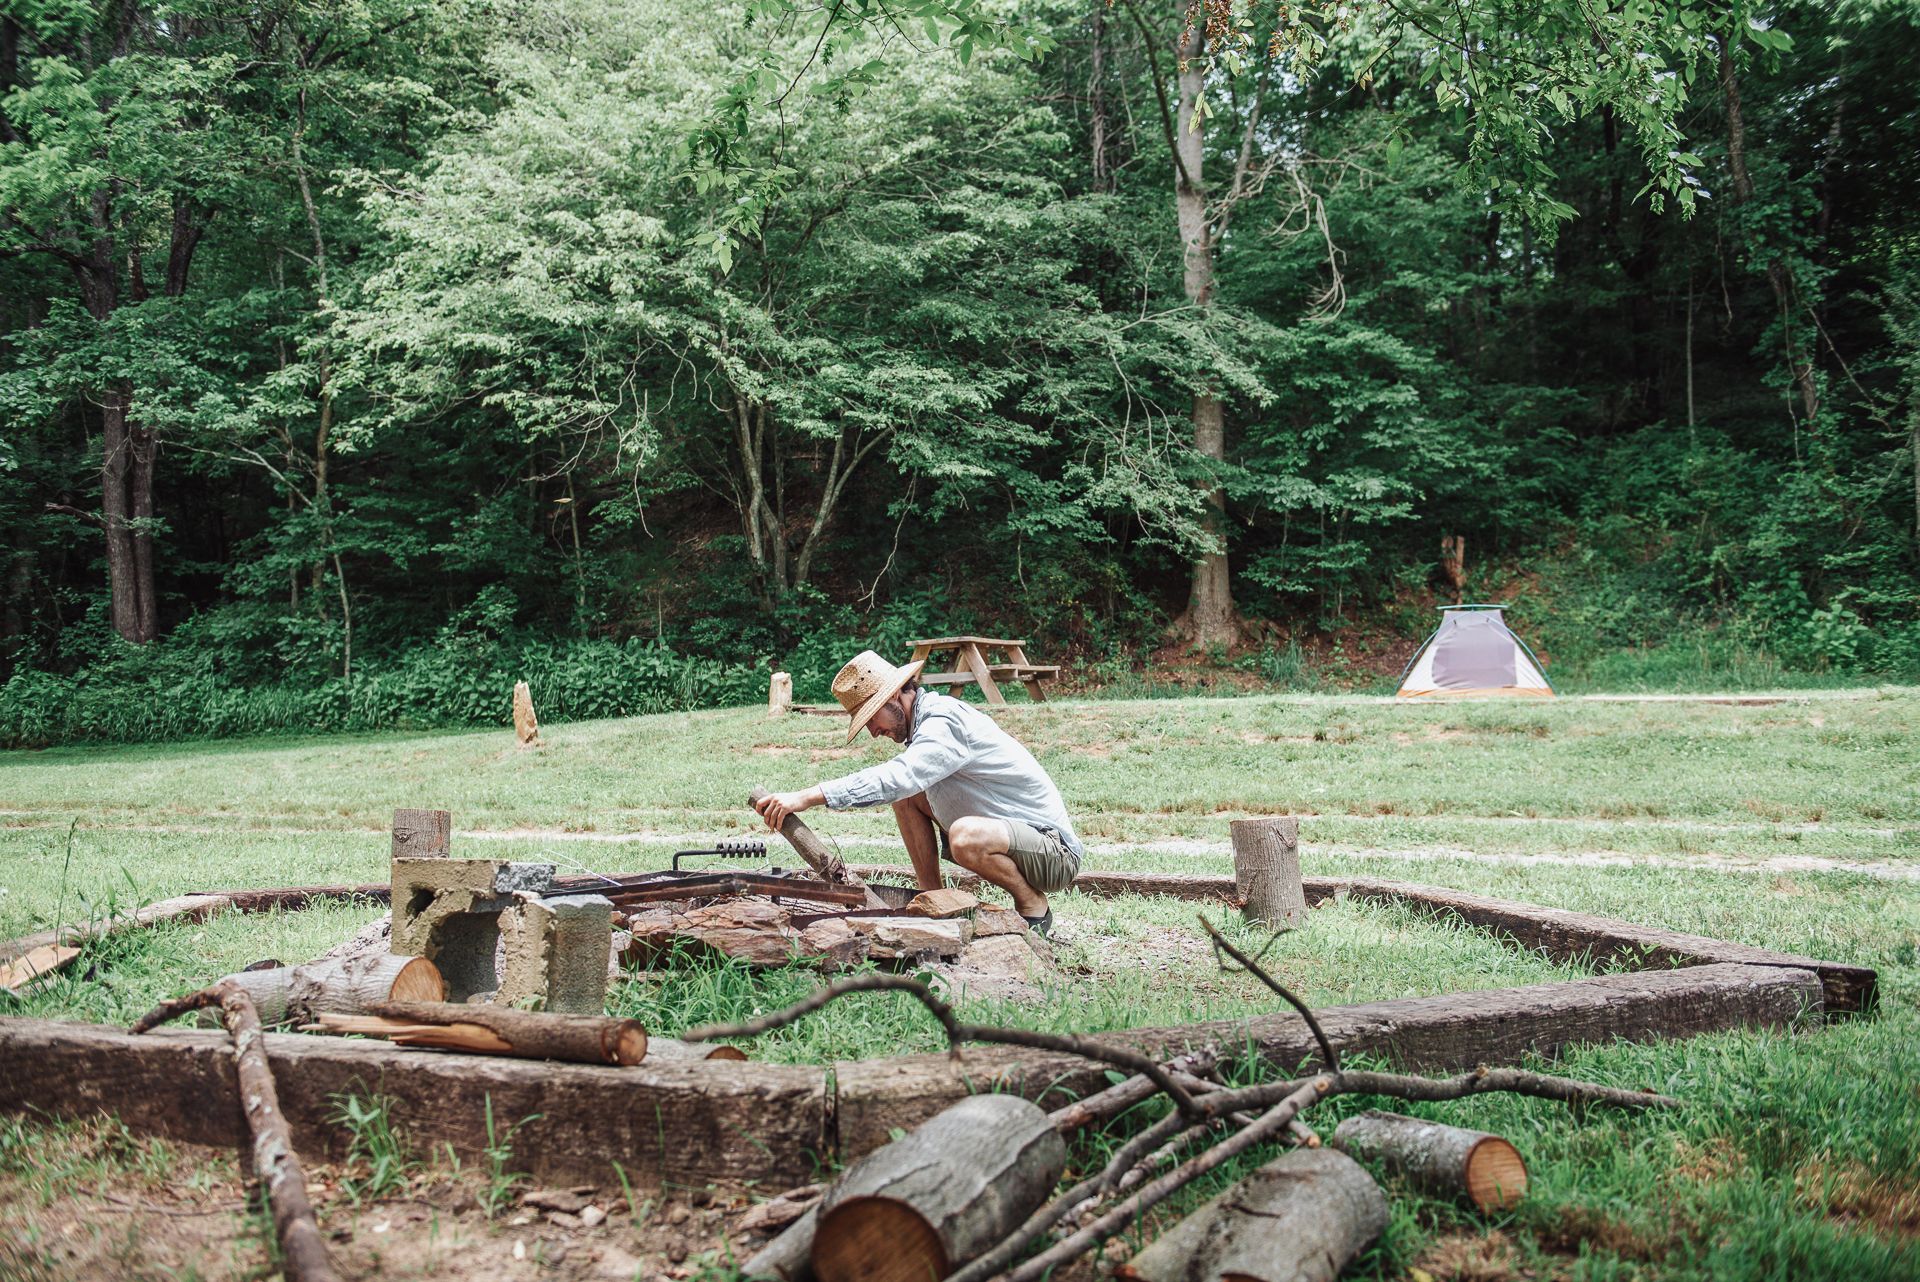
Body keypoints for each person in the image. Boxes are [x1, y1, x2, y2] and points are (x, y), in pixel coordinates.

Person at [751, 649, 1082, 936]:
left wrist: (809, 796)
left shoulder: (943, 720)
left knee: (962, 835)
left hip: (1053, 852)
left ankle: (1032, 903)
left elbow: (900, 775)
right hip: (1012, 838)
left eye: (871, 718)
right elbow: (904, 785)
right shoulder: (923, 726)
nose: (873, 731)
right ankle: (933, 897)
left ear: (895, 696)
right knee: (907, 798)